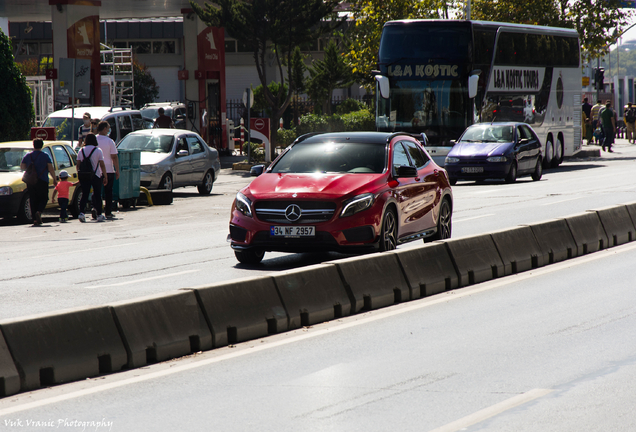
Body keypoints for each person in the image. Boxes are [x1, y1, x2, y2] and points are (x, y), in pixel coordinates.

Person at [20, 139, 57, 226]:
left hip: (31, 181)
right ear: (42, 145)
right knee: (44, 198)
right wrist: (54, 179)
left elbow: (22, 167)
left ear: (33, 145)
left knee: (33, 199)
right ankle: (39, 212)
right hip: (42, 180)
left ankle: (35, 220)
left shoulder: (28, 156)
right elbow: (50, 168)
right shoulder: (45, 156)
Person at [76, 134, 108, 222]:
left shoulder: (81, 150)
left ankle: (81, 213)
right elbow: (102, 164)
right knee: (97, 195)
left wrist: (80, 175)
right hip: (96, 175)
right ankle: (99, 214)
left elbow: (78, 165)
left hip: (84, 175)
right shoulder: (98, 150)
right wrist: (105, 176)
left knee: (84, 194)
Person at [96, 120, 120, 218]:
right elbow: (114, 156)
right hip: (109, 170)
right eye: (108, 128)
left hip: (97, 170)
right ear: (105, 129)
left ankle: (96, 210)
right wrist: (117, 170)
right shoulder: (110, 141)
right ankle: (108, 212)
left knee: (97, 192)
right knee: (108, 192)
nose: (109, 130)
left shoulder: (94, 139)